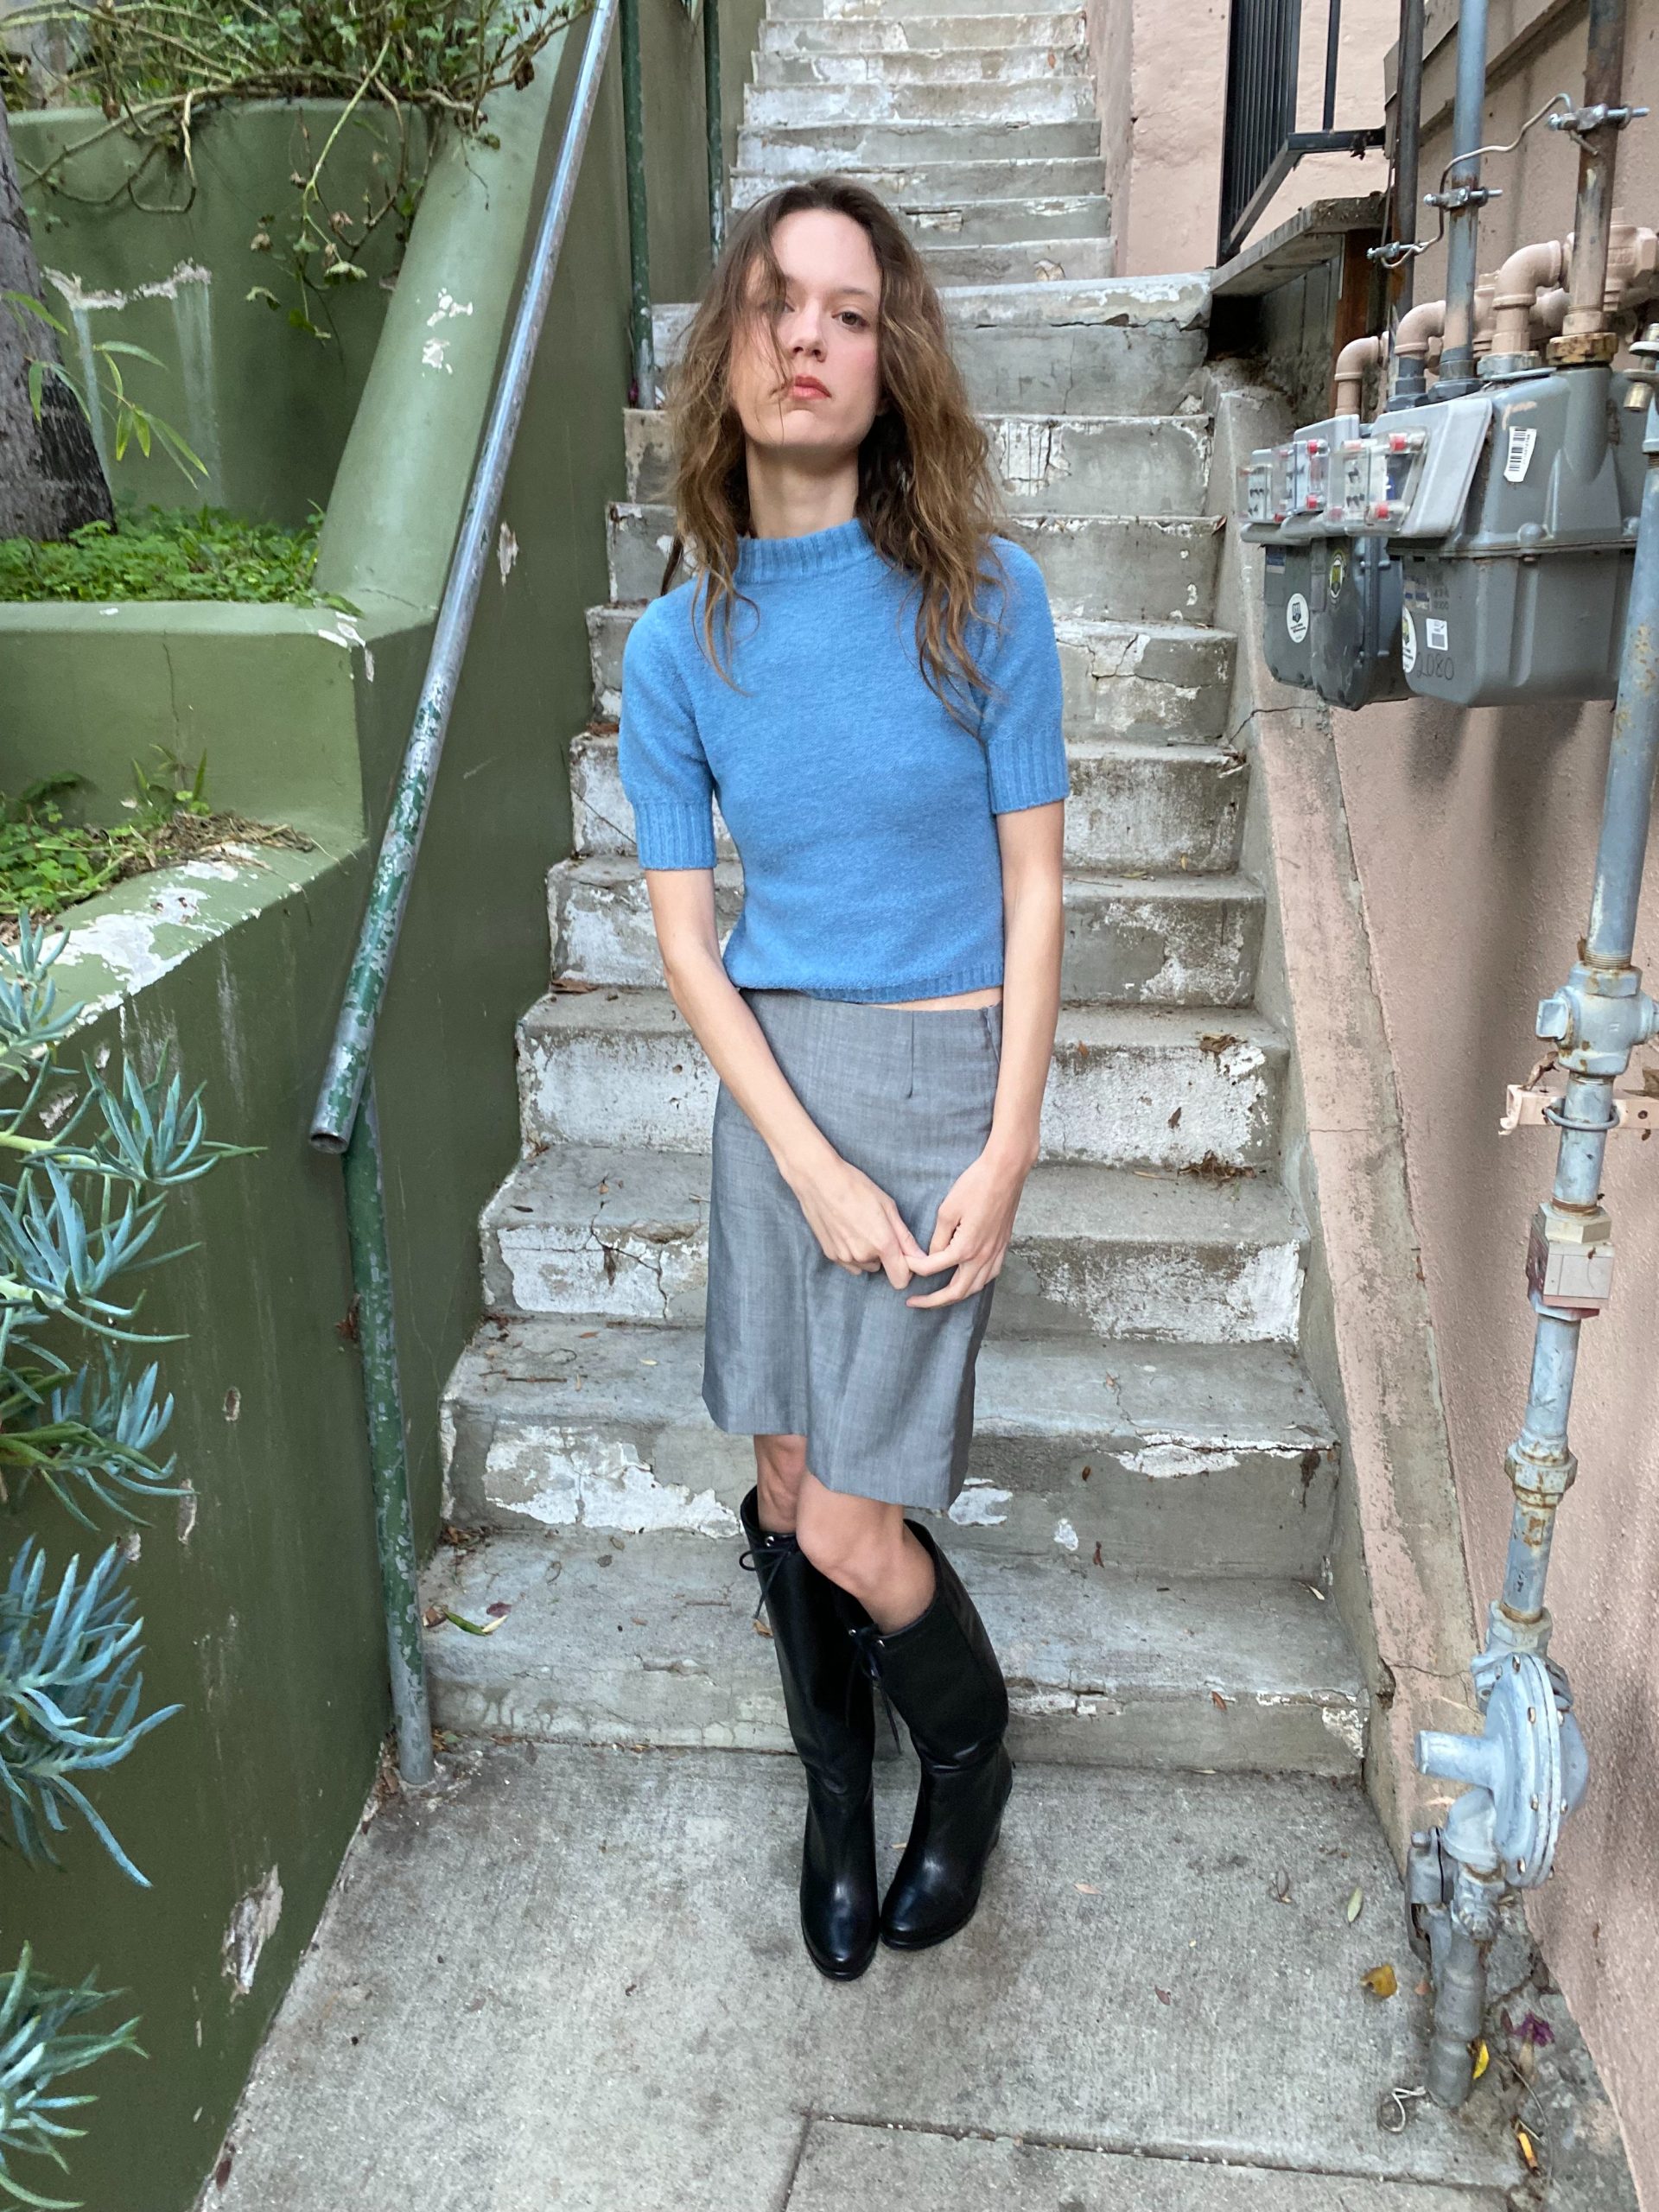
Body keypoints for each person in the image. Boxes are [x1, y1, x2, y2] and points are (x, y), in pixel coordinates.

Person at [615, 175, 1068, 1982]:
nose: (808, 337)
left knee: (856, 1520)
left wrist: (1011, 1144)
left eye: (850, 311)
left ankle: (967, 1751)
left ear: (892, 360)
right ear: (728, 349)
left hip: (943, 1071)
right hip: (774, 1091)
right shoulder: (678, 645)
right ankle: (833, 1787)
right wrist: (797, 1154)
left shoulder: (986, 597)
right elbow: (684, 938)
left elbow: (1036, 890)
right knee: (789, 1468)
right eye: (776, 303)